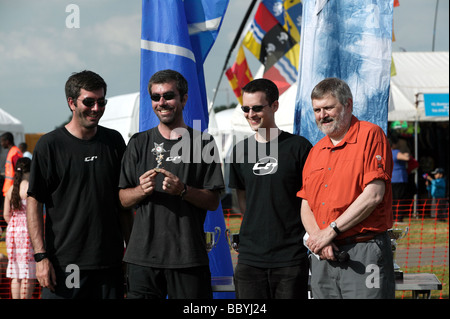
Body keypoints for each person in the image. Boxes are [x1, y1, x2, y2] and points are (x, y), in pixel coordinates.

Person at [118, 69, 224, 299]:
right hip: (142, 258)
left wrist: (183, 190)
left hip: (187, 258)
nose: (162, 102)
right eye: (156, 97)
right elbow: (123, 199)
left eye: (168, 96)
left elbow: (214, 201)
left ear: (184, 99)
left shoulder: (203, 143)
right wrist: (140, 190)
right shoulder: (137, 143)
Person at [26, 70, 132, 299]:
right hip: (65, 266)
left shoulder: (114, 141)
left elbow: (123, 203)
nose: (96, 108)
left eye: (101, 101)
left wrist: (130, 253)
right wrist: (41, 257)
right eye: (89, 102)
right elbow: (34, 202)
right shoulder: (49, 145)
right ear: (71, 103)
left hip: (109, 264)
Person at [298, 78, 395, 299]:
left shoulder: (370, 135)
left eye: (328, 107)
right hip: (324, 254)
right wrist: (319, 239)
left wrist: (329, 232)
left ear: (348, 104)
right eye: (317, 110)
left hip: (363, 251)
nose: (322, 115)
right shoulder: (316, 151)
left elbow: (373, 195)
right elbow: (306, 204)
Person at [228, 79, 312, 299]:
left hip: (290, 259)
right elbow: (243, 201)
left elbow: (311, 199)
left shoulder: (299, 147)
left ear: (274, 106)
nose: (250, 114)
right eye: (245, 109)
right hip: (249, 260)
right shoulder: (239, 151)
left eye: (257, 108)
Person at [3, 157, 36, 299]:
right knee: (28, 272)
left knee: (15, 272)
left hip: (12, 231)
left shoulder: (11, 189)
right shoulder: (30, 187)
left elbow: (6, 214)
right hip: (28, 231)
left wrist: (15, 224)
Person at [389, 132, 411, 221]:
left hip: (391, 178)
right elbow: (407, 158)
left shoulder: (387, 152)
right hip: (399, 179)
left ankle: (393, 217)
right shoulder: (395, 152)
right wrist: (406, 153)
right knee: (400, 199)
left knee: (393, 199)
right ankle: (399, 217)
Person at [1, 132, 23, 197]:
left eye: (2, 141)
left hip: (12, 189)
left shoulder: (14, 153)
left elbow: (19, 170)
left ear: (7, 141)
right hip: (10, 188)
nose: (1, 144)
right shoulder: (12, 152)